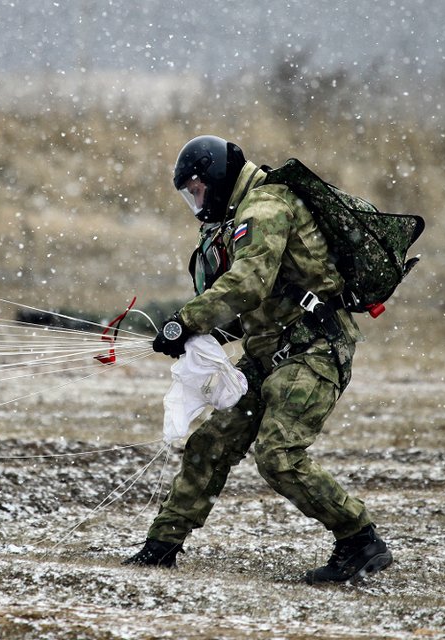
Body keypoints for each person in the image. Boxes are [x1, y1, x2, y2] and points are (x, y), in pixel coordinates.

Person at [123, 135, 392, 584]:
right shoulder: (243, 213)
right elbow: (255, 303)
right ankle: (161, 546)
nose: (196, 200)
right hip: (270, 352)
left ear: (215, 178)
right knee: (211, 443)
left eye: (196, 189)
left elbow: (248, 284)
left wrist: (188, 321)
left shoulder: (264, 207)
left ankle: (360, 540)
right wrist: (192, 334)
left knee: (278, 454)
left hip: (314, 350)